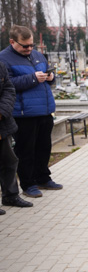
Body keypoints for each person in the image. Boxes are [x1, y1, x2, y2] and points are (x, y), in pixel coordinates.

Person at [0, 25, 62, 199]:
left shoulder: (37, 55)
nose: (29, 49)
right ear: (12, 42)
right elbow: (7, 85)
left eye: (31, 45)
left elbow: (47, 75)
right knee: (26, 150)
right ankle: (28, 184)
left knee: (44, 147)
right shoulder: (4, 59)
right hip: (23, 113)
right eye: (24, 46)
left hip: (44, 109)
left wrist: (50, 77)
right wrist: (33, 78)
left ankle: (43, 177)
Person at [1, 59, 33, 213]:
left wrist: (2, 111)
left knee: (9, 161)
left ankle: (10, 195)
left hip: (2, 123)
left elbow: (8, 89)